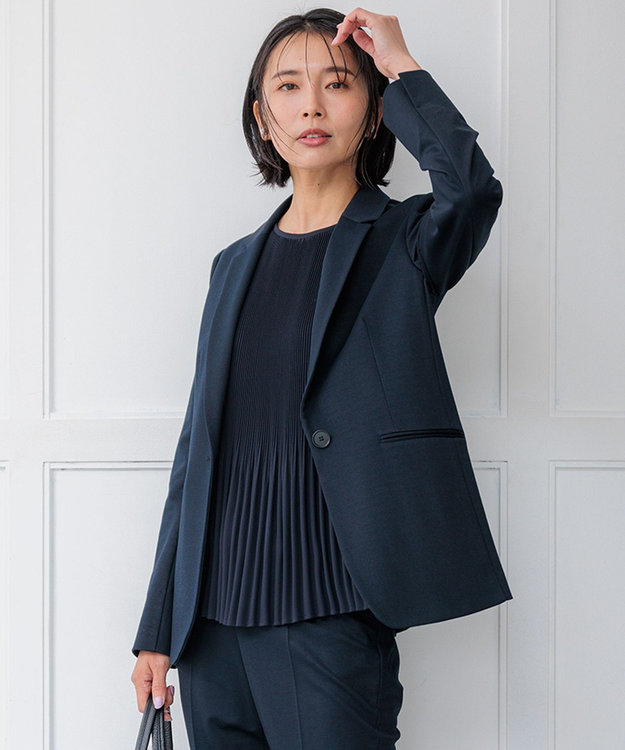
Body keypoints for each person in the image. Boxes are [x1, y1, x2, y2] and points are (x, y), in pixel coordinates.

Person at [131, 7, 512, 748]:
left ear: (373, 113)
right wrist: (158, 630)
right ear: (262, 116)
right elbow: (197, 458)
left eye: (337, 84)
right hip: (211, 630)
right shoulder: (232, 266)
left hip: (330, 612)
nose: (311, 105)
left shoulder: (404, 241)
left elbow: (471, 191)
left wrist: (398, 65)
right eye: (288, 86)